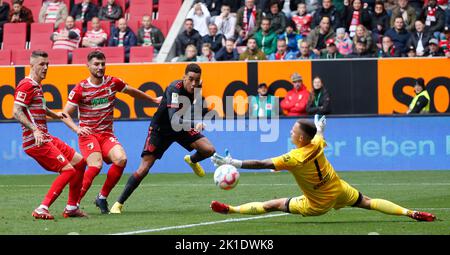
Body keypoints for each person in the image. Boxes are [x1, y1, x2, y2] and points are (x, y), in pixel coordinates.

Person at [210, 115, 436, 222]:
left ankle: (231, 210)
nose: (290, 132)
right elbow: (318, 136)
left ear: (299, 137)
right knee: (368, 202)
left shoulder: (294, 157)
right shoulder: (315, 143)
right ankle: (411, 213)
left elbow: (262, 164)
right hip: (338, 188)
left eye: (292, 130)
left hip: (317, 203)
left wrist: (234, 163)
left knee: (274, 204)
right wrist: (319, 127)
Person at [61, 50, 161, 214]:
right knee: (96, 166)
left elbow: (131, 92)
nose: (100, 67)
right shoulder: (81, 88)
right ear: (88, 66)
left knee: (121, 159)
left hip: (106, 134)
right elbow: (64, 114)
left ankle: (101, 197)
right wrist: (77, 129)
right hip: (88, 135)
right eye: (96, 64)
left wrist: (152, 100)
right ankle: (73, 205)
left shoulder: (113, 82)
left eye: (102, 64)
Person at [109, 63, 216, 214]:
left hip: (180, 127)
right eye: (190, 79)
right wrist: (194, 123)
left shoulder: (197, 88)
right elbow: (173, 118)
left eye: (197, 80)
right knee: (144, 168)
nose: (193, 83)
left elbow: (195, 110)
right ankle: (118, 203)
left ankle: (191, 160)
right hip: (161, 130)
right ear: (184, 77)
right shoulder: (174, 89)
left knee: (209, 149)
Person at [13, 50, 87, 220]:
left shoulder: (37, 86)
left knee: (80, 163)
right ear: (32, 65)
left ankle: (71, 208)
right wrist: (35, 129)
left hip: (46, 137)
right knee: (68, 171)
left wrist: (56, 115)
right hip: (35, 141)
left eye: (47, 64)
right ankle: (42, 208)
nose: (46, 67)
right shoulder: (26, 85)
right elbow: (16, 111)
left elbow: (40, 109)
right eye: (41, 64)